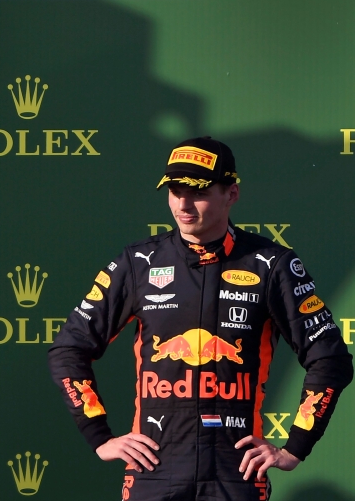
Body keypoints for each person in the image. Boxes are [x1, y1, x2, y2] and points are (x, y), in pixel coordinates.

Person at [47, 137, 353, 501]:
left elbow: (330, 359)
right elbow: (68, 350)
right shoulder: (138, 263)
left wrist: (295, 447)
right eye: (174, 191)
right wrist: (99, 436)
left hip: (236, 473)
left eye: (198, 192)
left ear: (232, 194)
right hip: (153, 472)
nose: (183, 204)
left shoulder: (273, 264)